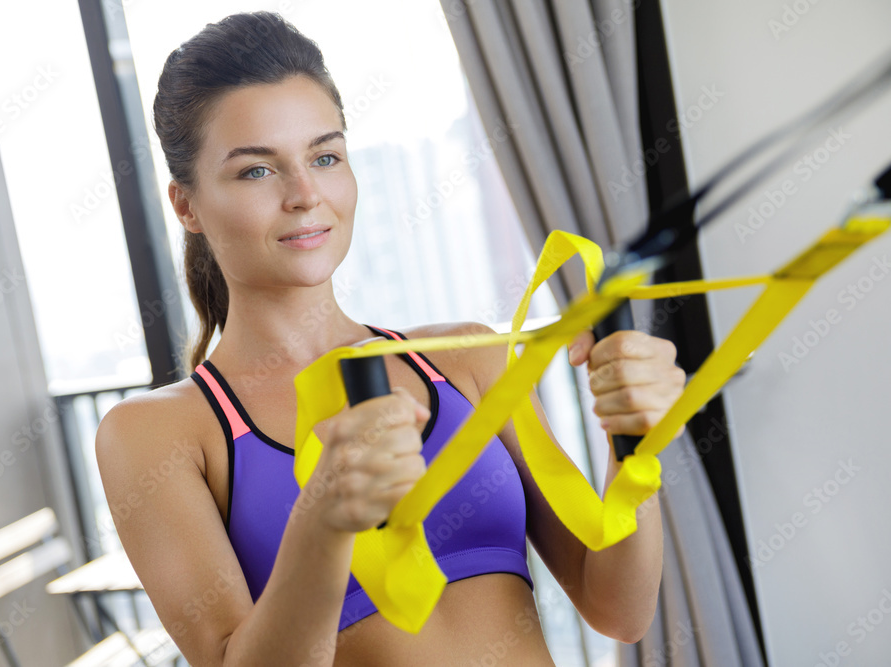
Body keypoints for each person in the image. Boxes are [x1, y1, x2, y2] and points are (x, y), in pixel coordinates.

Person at [95, 11, 686, 667]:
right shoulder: (155, 433)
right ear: (187, 205)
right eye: (257, 171)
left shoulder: (468, 359)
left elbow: (620, 609)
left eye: (325, 156)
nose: (305, 194)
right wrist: (323, 519)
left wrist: (635, 442)